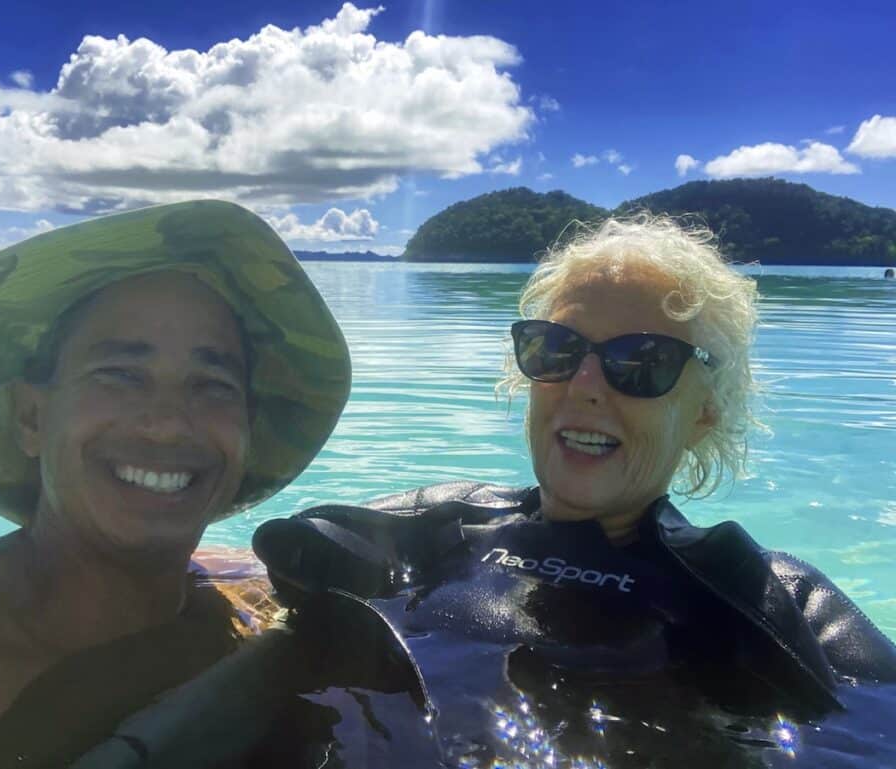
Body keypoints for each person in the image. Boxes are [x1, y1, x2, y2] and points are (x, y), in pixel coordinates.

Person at [252, 215, 896, 768]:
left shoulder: (773, 604)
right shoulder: (436, 523)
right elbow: (265, 574)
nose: (584, 385)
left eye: (641, 362)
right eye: (555, 349)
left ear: (705, 411)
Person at [0, 200, 350, 766]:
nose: (168, 423)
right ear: (31, 417)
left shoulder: (252, 600)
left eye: (212, 383)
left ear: (247, 430)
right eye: (120, 375)